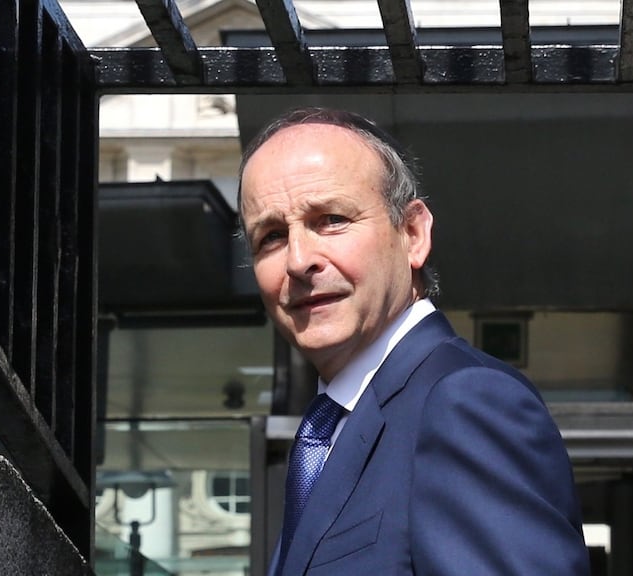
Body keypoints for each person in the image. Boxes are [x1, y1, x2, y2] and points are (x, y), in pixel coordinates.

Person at [238, 107, 590, 576]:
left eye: (332, 220)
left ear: (413, 234)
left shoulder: (464, 403)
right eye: (272, 237)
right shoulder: (331, 429)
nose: (299, 260)